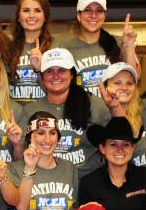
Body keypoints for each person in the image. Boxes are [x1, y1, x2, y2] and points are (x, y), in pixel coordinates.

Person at [21, 48, 111, 176]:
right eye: (49, 71)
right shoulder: (30, 110)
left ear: (72, 74)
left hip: (87, 183)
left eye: (62, 70)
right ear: (41, 76)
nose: (56, 76)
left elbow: (117, 142)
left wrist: (115, 108)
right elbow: (22, 154)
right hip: (44, 185)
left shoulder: (94, 105)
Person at [8, 111, 79, 210]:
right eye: (40, 133)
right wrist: (29, 167)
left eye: (52, 133)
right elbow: (21, 207)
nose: (47, 139)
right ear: (30, 138)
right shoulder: (14, 168)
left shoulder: (70, 168)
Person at [60, 0, 139, 96]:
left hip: (114, 109)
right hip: (82, 110)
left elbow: (135, 76)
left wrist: (129, 45)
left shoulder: (118, 42)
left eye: (99, 11)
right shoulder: (65, 48)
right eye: (87, 10)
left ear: (104, 16)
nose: (93, 15)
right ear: (79, 16)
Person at [6, 0, 53, 102]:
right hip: (14, 115)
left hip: (46, 114)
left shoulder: (58, 47)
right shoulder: (7, 48)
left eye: (37, 10)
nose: (31, 15)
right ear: (18, 17)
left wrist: (40, 69)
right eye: (26, 10)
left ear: (45, 16)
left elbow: (60, 94)